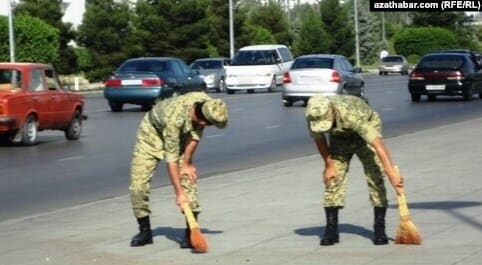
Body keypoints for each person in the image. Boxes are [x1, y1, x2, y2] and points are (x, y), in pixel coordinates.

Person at [128, 91, 228, 248]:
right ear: (203, 122)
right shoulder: (174, 119)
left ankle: (191, 232)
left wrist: (187, 163)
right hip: (151, 136)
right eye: (208, 124)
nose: (208, 127)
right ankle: (145, 231)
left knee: (189, 181)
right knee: (138, 186)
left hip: (181, 137)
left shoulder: (208, 105)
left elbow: (195, 137)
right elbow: (172, 160)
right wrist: (179, 194)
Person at [305, 94, 404, 246]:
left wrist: (391, 172)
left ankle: (379, 229)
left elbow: (378, 144)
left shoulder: (352, 114)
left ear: (332, 112)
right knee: (332, 178)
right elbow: (319, 139)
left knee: (375, 174)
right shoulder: (313, 115)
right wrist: (329, 164)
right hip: (339, 137)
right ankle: (331, 231)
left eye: (326, 122)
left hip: (364, 130)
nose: (324, 126)